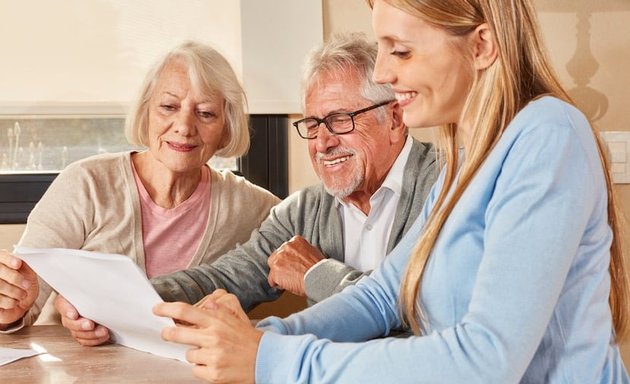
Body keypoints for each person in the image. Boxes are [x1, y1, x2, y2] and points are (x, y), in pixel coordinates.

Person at [153, 0, 630, 383]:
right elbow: (384, 297)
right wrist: (261, 336)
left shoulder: (548, 134)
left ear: (482, 45)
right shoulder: (465, 163)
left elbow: (488, 359)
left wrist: (274, 360)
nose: (383, 72)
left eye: (400, 51)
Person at [0, 41, 280, 344]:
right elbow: (22, 306)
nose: (184, 126)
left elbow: (312, 231)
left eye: (206, 113)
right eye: (169, 107)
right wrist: (11, 308)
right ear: (146, 112)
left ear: (227, 127)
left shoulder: (251, 206)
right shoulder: (86, 184)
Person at [149, 33, 437, 309]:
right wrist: (123, 303)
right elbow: (224, 279)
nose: (322, 144)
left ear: (395, 120)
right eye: (312, 125)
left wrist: (318, 275)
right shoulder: (304, 211)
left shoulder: (453, 184)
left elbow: (430, 308)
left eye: (339, 119)